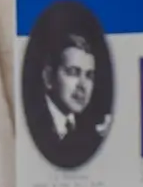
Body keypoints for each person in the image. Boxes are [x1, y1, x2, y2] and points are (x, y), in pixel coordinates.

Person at [24, 25, 110, 169]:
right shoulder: (31, 123)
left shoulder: (92, 131)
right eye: (73, 72)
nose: (82, 85)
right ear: (48, 77)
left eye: (89, 76)